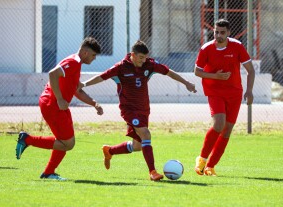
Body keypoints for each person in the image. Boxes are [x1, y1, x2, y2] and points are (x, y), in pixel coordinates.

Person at [81, 40, 197, 181]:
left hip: (144, 110)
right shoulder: (121, 68)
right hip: (129, 109)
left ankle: (109, 150)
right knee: (146, 135)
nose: (144, 61)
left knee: (137, 146)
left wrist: (187, 83)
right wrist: (84, 84)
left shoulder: (149, 65)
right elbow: (102, 76)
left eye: (145, 58)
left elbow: (168, 72)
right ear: (133, 55)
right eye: (141, 58)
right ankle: (153, 172)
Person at [15, 37, 103, 181]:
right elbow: (52, 74)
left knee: (65, 141)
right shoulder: (73, 62)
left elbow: (76, 89)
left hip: (58, 106)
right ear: (86, 52)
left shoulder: (76, 63)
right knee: (67, 143)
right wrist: (60, 99)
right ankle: (28, 140)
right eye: (93, 55)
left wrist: (94, 103)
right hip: (53, 105)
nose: (94, 59)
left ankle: (49, 173)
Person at [193, 19, 255, 176]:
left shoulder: (237, 47)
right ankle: (202, 159)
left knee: (227, 130)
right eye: (216, 32)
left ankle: (210, 167)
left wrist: (249, 91)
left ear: (228, 33)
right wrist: (216, 76)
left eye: (222, 32)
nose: (218, 35)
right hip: (214, 91)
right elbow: (197, 71)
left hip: (234, 92)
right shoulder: (206, 49)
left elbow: (251, 70)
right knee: (219, 124)